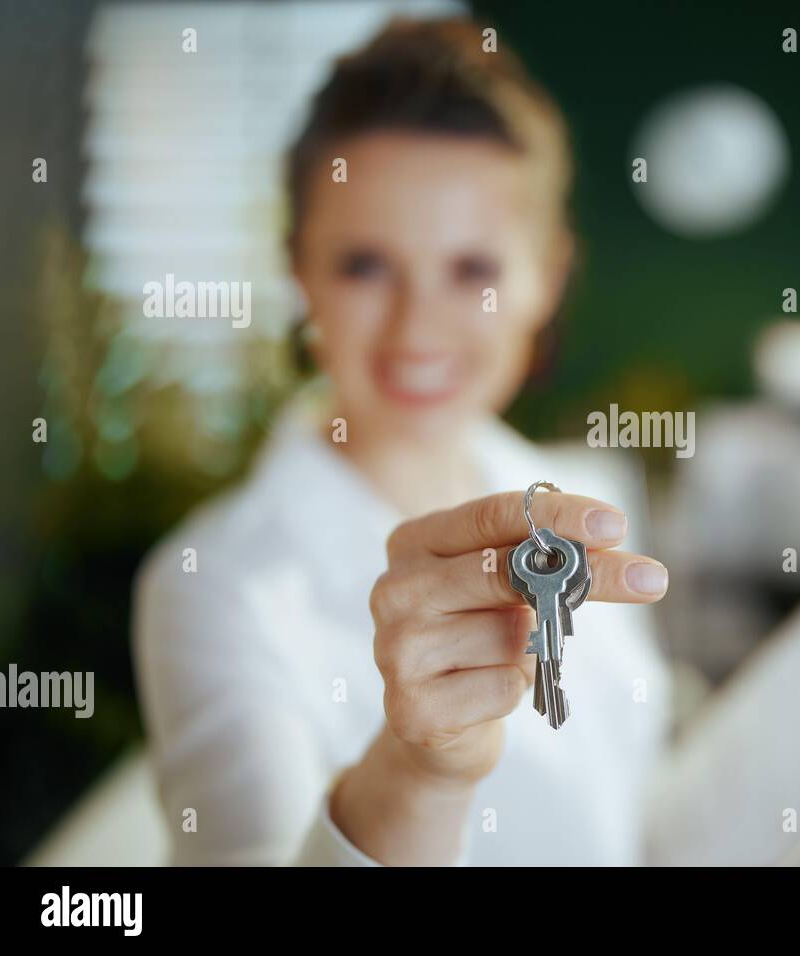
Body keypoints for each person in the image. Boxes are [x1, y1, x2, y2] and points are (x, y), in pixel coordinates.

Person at [133, 17, 672, 866]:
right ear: (298, 273)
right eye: (364, 266)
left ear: (548, 276)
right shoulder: (214, 586)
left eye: (473, 271)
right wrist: (417, 773)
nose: (419, 327)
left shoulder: (577, 501)